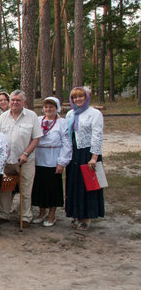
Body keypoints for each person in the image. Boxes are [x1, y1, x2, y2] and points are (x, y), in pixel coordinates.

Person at [0, 90, 42, 227]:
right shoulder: (3, 117)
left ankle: (26, 216)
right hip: (6, 161)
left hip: (25, 161)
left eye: (18, 100)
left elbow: (36, 138)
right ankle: (3, 214)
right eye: (13, 100)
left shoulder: (32, 116)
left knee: (26, 189)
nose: (15, 102)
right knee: (5, 188)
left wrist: (26, 154)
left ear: (24, 102)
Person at [65, 87, 104, 231]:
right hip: (74, 152)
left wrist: (94, 157)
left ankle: (86, 217)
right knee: (74, 184)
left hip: (88, 153)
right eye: (75, 97)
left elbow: (97, 135)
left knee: (88, 185)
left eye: (80, 97)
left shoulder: (94, 114)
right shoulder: (70, 114)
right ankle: (76, 213)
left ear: (86, 97)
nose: (77, 100)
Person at [32, 97, 71, 227]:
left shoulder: (62, 123)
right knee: (39, 186)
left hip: (53, 157)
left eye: (51, 107)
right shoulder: (38, 120)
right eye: (46, 107)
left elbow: (67, 143)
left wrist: (62, 162)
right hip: (39, 157)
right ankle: (41, 212)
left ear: (57, 108)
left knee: (52, 187)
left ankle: (52, 214)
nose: (48, 109)